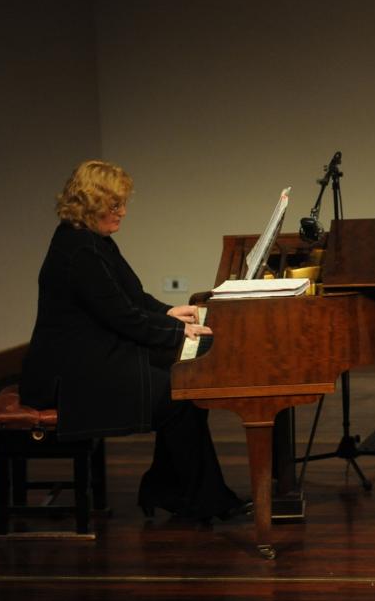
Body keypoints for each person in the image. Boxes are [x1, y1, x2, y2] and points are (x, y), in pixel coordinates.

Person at [20, 159, 249, 521]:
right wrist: (177, 333)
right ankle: (190, 495)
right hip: (68, 375)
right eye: (114, 205)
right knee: (179, 396)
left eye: (122, 203)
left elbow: (131, 296)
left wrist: (169, 312)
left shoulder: (93, 241)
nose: (123, 212)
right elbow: (122, 317)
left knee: (183, 387)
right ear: (91, 203)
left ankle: (175, 490)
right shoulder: (80, 249)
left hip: (89, 356)